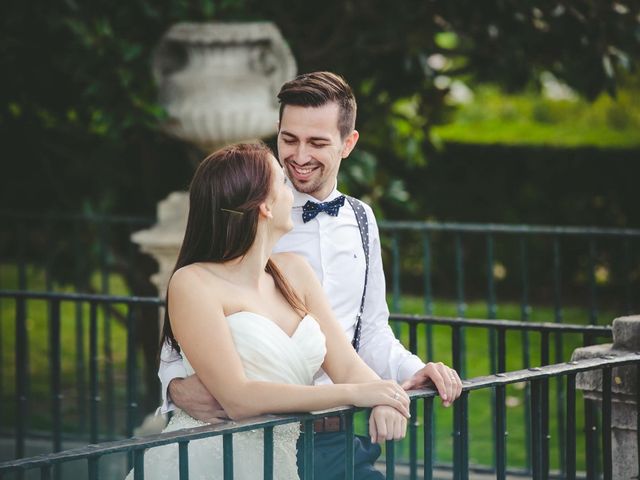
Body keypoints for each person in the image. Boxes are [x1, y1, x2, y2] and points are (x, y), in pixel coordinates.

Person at [159, 72, 463, 479]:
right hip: (241, 432)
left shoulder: (359, 220)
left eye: (317, 142)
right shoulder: (241, 204)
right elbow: (184, 338)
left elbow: (369, 331)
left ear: (348, 143)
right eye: (288, 139)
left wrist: (405, 380)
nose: (298, 157)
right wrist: (174, 387)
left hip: (334, 434)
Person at [126, 143, 411, 480]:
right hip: (214, 461)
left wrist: (385, 396)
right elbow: (238, 398)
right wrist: (355, 393)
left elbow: (347, 364)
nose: (292, 188)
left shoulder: (295, 272)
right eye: (283, 183)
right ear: (264, 206)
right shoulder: (193, 283)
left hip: (282, 460)